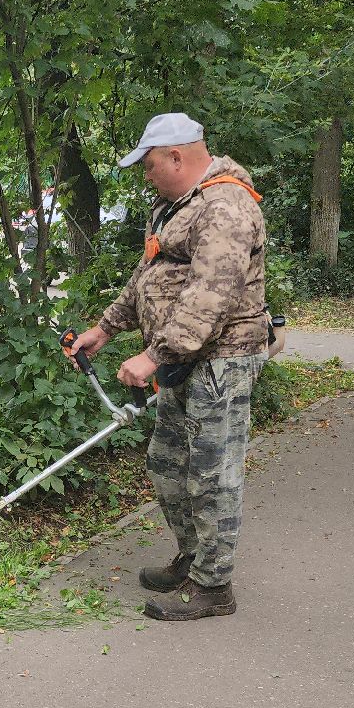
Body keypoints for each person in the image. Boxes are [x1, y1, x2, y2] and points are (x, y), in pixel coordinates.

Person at [66, 113, 269, 621]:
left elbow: (210, 297)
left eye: (150, 164)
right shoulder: (175, 207)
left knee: (211, 474)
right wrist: (104, 330)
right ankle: (193, 557)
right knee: (167, 463)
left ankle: (213, 587)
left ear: (177, 156)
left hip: (221, 362)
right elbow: (147, 278)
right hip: (184, 361)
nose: (146, 174)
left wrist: (153, 355)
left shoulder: (225, 205)